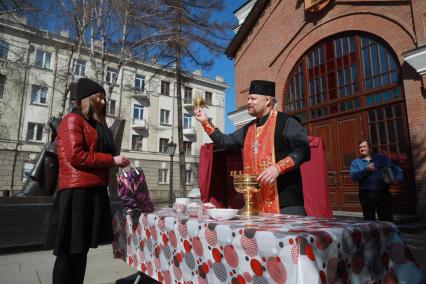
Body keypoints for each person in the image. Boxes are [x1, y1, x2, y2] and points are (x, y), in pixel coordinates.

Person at [45, 77, 130, 284]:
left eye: (104, 98)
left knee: (80, 251)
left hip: (92, 191)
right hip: (76, 193)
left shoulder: (93, 124)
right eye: (98, 98)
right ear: (86, 99)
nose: (103, 102)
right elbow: (77, 156)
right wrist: (111, 160)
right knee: (69, 252)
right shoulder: (72, 120)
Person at [194, 80, 310, 215]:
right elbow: (225, 142)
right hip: (255, 205)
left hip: (286, 205)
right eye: (248, 98)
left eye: (253, 98)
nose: (248, 102)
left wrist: (278, 168)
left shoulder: (286, 121)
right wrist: (205, 122)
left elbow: (303, 150)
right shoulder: (248, 129)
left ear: (267, 101)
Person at [350, 138, 403, 222]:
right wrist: (366, 170)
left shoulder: (381, 158)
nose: (362, 149)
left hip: (383, 193)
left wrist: (398, 179)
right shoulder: (356, 162)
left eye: (364, 146)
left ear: (370, 148)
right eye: (360, 147)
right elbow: (354, 177)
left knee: (387, 221)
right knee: (369, 222)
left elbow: (396, 168)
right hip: (366, 195)